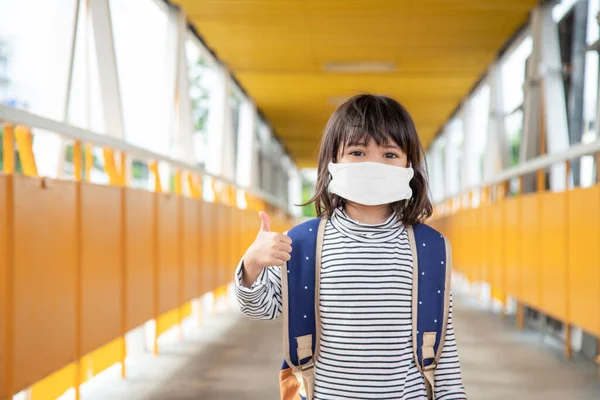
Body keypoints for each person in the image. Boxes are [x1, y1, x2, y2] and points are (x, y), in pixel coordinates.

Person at [235, 94, 467, 399]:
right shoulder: (304, 243)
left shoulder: (430, 249)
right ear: (333, 162)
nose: (373, 165)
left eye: (389, 155)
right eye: (357, 152)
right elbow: (261, 309)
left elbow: (444, 355)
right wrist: (252, 264)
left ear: (409, 165)